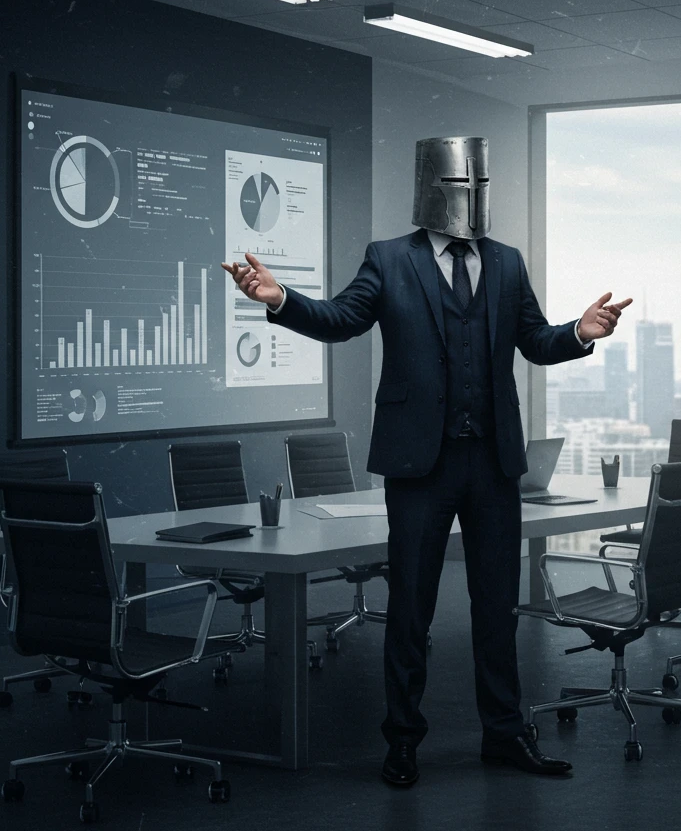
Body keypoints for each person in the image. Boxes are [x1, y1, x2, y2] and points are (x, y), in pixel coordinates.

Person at [222, 136, 629, 786]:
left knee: (496, 609)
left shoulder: (506, 261)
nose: (472, 197)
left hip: (493, 463)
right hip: (420, 466)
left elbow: (533, 339)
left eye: (480, 186)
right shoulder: (389, 259)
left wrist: (579, 333)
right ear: (432, 187)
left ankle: (504, 734)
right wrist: (280, 299)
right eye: (461, 186)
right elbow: (340, 318)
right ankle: (403, 741)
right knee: (411, 610)